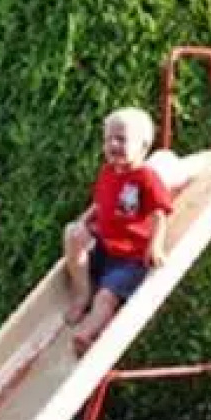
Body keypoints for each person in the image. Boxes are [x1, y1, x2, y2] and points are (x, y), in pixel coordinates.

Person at [62, 107, 173, 354]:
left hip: (129, 258)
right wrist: (84, 221)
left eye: (121, 139)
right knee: (72, 233)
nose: (113, 144)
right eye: (108, 138)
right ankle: (82, 294)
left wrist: (156, 245)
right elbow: (100, 204)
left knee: (106, 297)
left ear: (143, 146)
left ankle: (87, 333)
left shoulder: (146, 177)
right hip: (105, 247)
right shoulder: (108, 172)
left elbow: (160, 213)